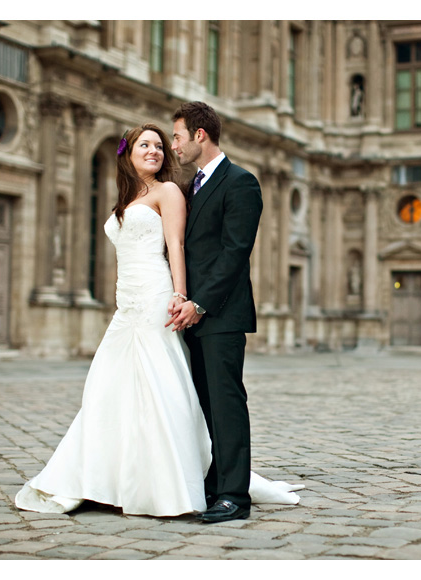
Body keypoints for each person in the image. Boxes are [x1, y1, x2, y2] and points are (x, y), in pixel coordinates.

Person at [15, 123, 301, 518]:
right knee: (111, 388)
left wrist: (183, 296)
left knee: (160, 385)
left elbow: (177, 246)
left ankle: (180, 484)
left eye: (163, 145)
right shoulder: (131, 195)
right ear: (128, 153)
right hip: (127, 302)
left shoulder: (171, 190)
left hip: (156, 297)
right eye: (145, 145)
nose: (157, 150)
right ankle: (109, 478)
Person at [166, 102, 262, 523]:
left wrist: (200, 303)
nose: (175, 146)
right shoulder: (192, 187)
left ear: (199, 135)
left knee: (226, 405)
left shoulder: (241, 182)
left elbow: (234, 253)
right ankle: (213, 483)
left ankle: (234, 498)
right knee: (205, 405)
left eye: (177, 137)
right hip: (193, 318)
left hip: (220, 315)